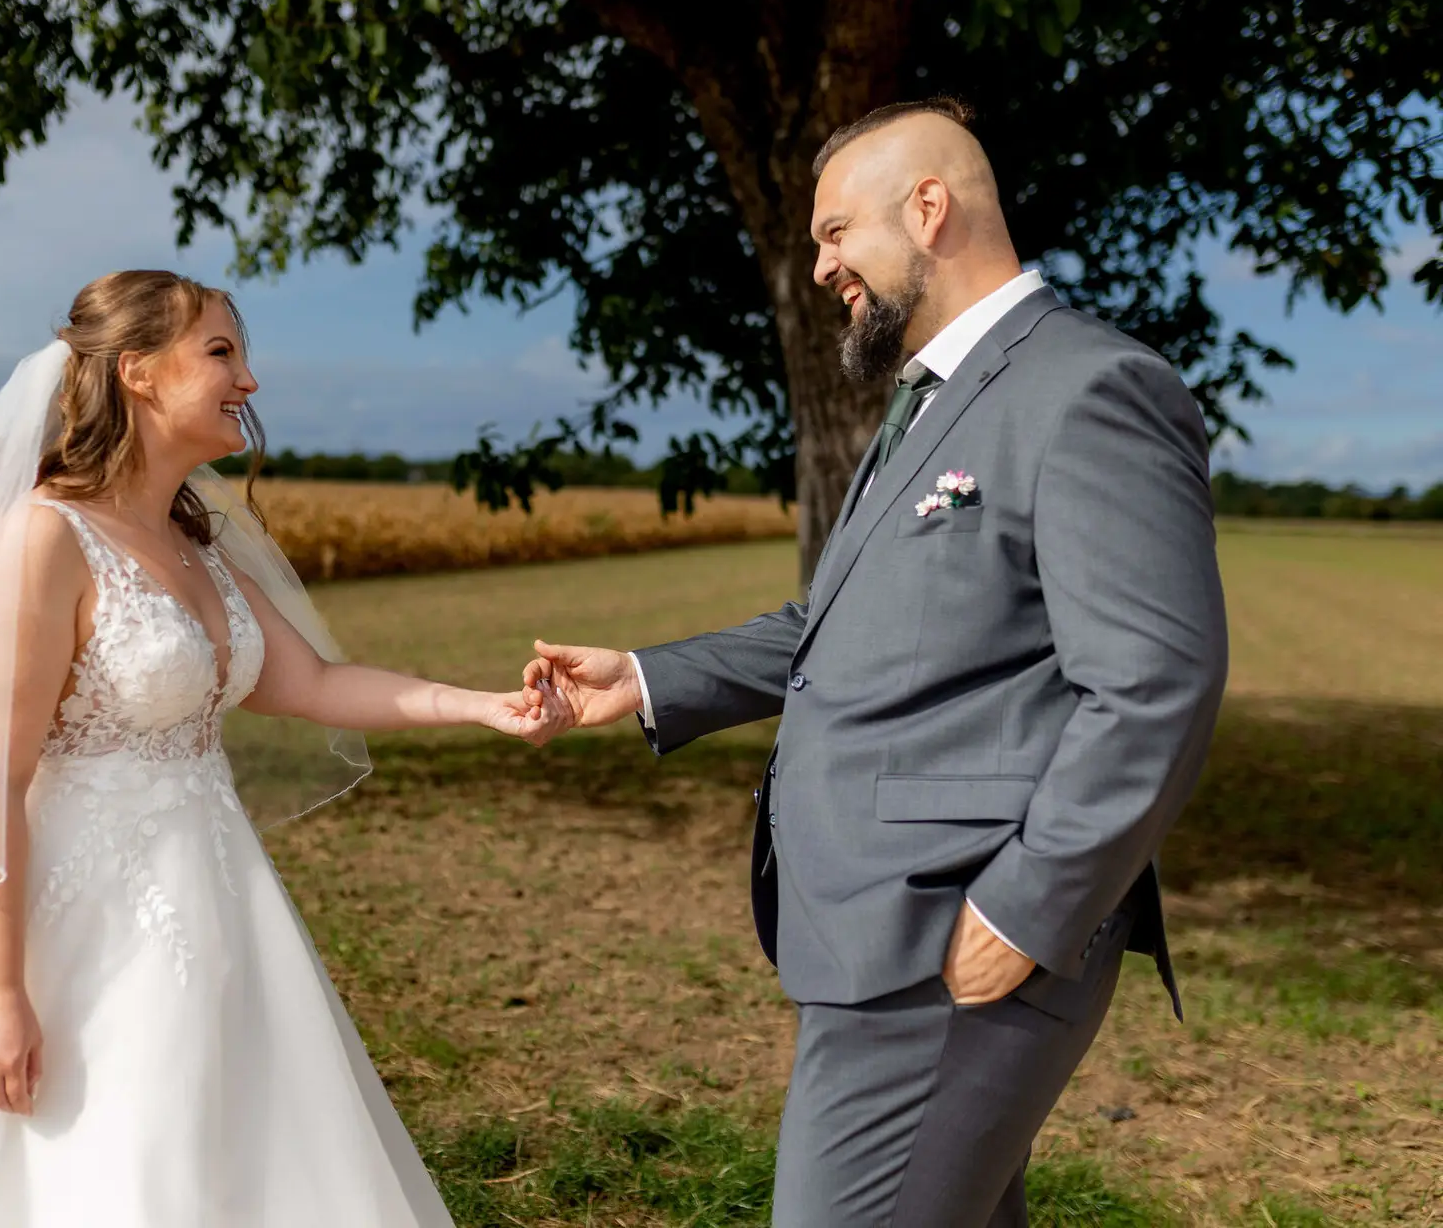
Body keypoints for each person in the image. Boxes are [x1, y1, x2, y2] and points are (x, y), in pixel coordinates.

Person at [523, 98, 1229, 1226]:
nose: (819, 267)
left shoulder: (1091, 388)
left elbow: (1155, 684)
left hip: (955, 941)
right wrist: (649, 676)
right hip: (881, 938)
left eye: (836, 232)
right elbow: (838, 619)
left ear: (929, 209)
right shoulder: (927, 403)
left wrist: (1025, 909)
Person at [0, 269, 565, 1227]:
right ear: (136, 371)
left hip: (222, 912)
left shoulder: (193, 545)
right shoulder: (42, 540)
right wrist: (1, 991)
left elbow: (315, 684)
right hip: (80, 933)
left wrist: (481, 707)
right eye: (221, 352)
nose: (248, 382)